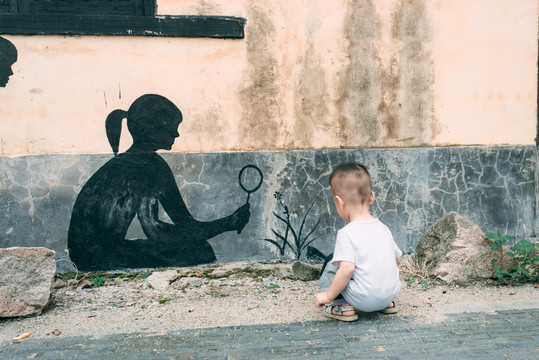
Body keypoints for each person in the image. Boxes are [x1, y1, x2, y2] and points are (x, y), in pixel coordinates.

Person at [68, 94, 250, 271]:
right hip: (101, 258)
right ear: (152, 130)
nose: (177, 134)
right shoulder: (151, 166)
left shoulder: (125, 163)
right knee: (199, 250)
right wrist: (228, 223)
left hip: (83, 255)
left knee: (193, 246)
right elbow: (157, 230)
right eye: (172, 127)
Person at [315, 162, 402, 321]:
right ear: (372, 197)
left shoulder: (347, 233)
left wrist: (328, 296)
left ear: (340, 202)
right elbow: (397, 259)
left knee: (333, 261)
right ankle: (386, 304)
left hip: (363, 299)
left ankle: (340, 305)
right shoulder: (384, 229)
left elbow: (347, 269)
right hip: (390, 294)